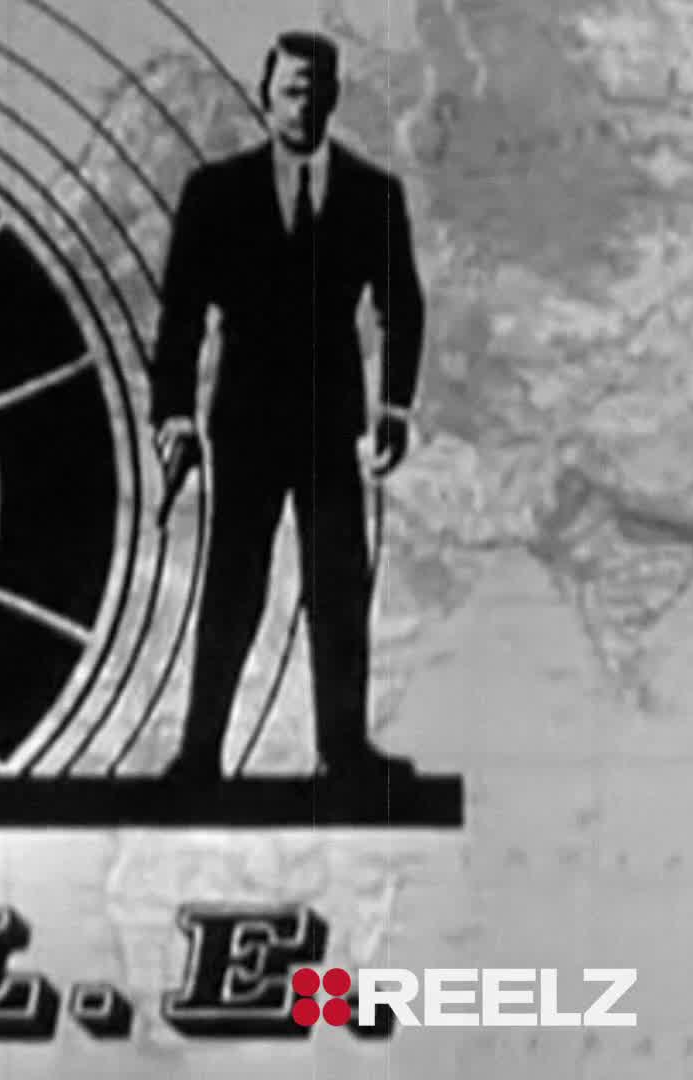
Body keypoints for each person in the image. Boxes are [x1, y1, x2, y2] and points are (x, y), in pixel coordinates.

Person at [151, 31, 424, 785]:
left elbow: (402, 306)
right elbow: (181, 311)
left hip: (329, 426)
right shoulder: (215, 194)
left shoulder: (374, 196)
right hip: (243, 425)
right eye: (290, 89)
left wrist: (394, 410)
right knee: (231, 587)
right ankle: (199, 756)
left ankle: (345, 752)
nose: (302, 104)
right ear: (265, 95)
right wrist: (174, 414)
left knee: (339, 588)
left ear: (334, 97)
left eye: (315, 90)